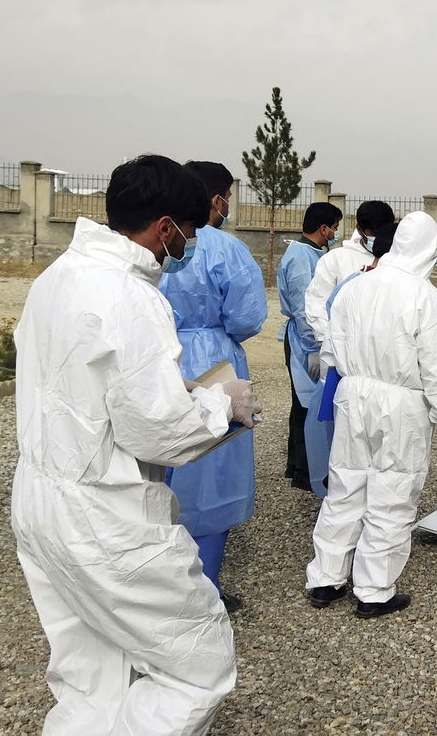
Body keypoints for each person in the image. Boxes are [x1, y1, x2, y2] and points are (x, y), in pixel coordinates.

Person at [12, 154, 261, 735]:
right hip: (105, 515)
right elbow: (157, 432)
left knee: (91, 670)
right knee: (198, 663)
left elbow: (82, 388)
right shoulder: (132, 296)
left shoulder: (57, 277)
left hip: (42, 498)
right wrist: (223, 404)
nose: (190, 244)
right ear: (165, 225)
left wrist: (179, 392)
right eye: (190, 231)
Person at [305, 211, 437, 618]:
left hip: (352, 393)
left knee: (345, 486)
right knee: (392, 493)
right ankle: (374, 590)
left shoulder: (355, 287)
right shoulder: (424, 296)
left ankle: (326, 578)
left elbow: (330, 348)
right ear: (430, 249)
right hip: (401, 404)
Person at [159, 161, 267, 612]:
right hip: (214, 358)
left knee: (161, 467)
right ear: (217, 198)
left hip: (162, 353)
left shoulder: (158, 240)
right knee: (211, 476)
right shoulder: (226, 248)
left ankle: (159, 583)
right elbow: (247, 316)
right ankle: (206, 590)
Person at [304, 214, 401, 498]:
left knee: (346, 460)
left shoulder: (352, 282)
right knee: (356, 458)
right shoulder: (396, 288)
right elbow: (320, 313)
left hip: (345, 378)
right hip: (357, 379)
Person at [276, 202, 341, 492]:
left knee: (304, 403)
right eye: (335, 227)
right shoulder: (302, 256)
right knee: (307, 404)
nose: (336, 233)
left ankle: (299, 465)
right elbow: (305, 308)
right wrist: (313, 347)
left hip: (309, 340)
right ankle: (305, 470)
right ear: (323, 228)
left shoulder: (312, 253)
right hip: (305, 341)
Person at [305, 200, 396, 348]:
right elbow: (317, 304)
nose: (378, 237)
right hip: (342, 349)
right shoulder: (336, 259)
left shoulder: (399, 261)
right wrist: (326, 345)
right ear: (359, 230)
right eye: (373, 233)